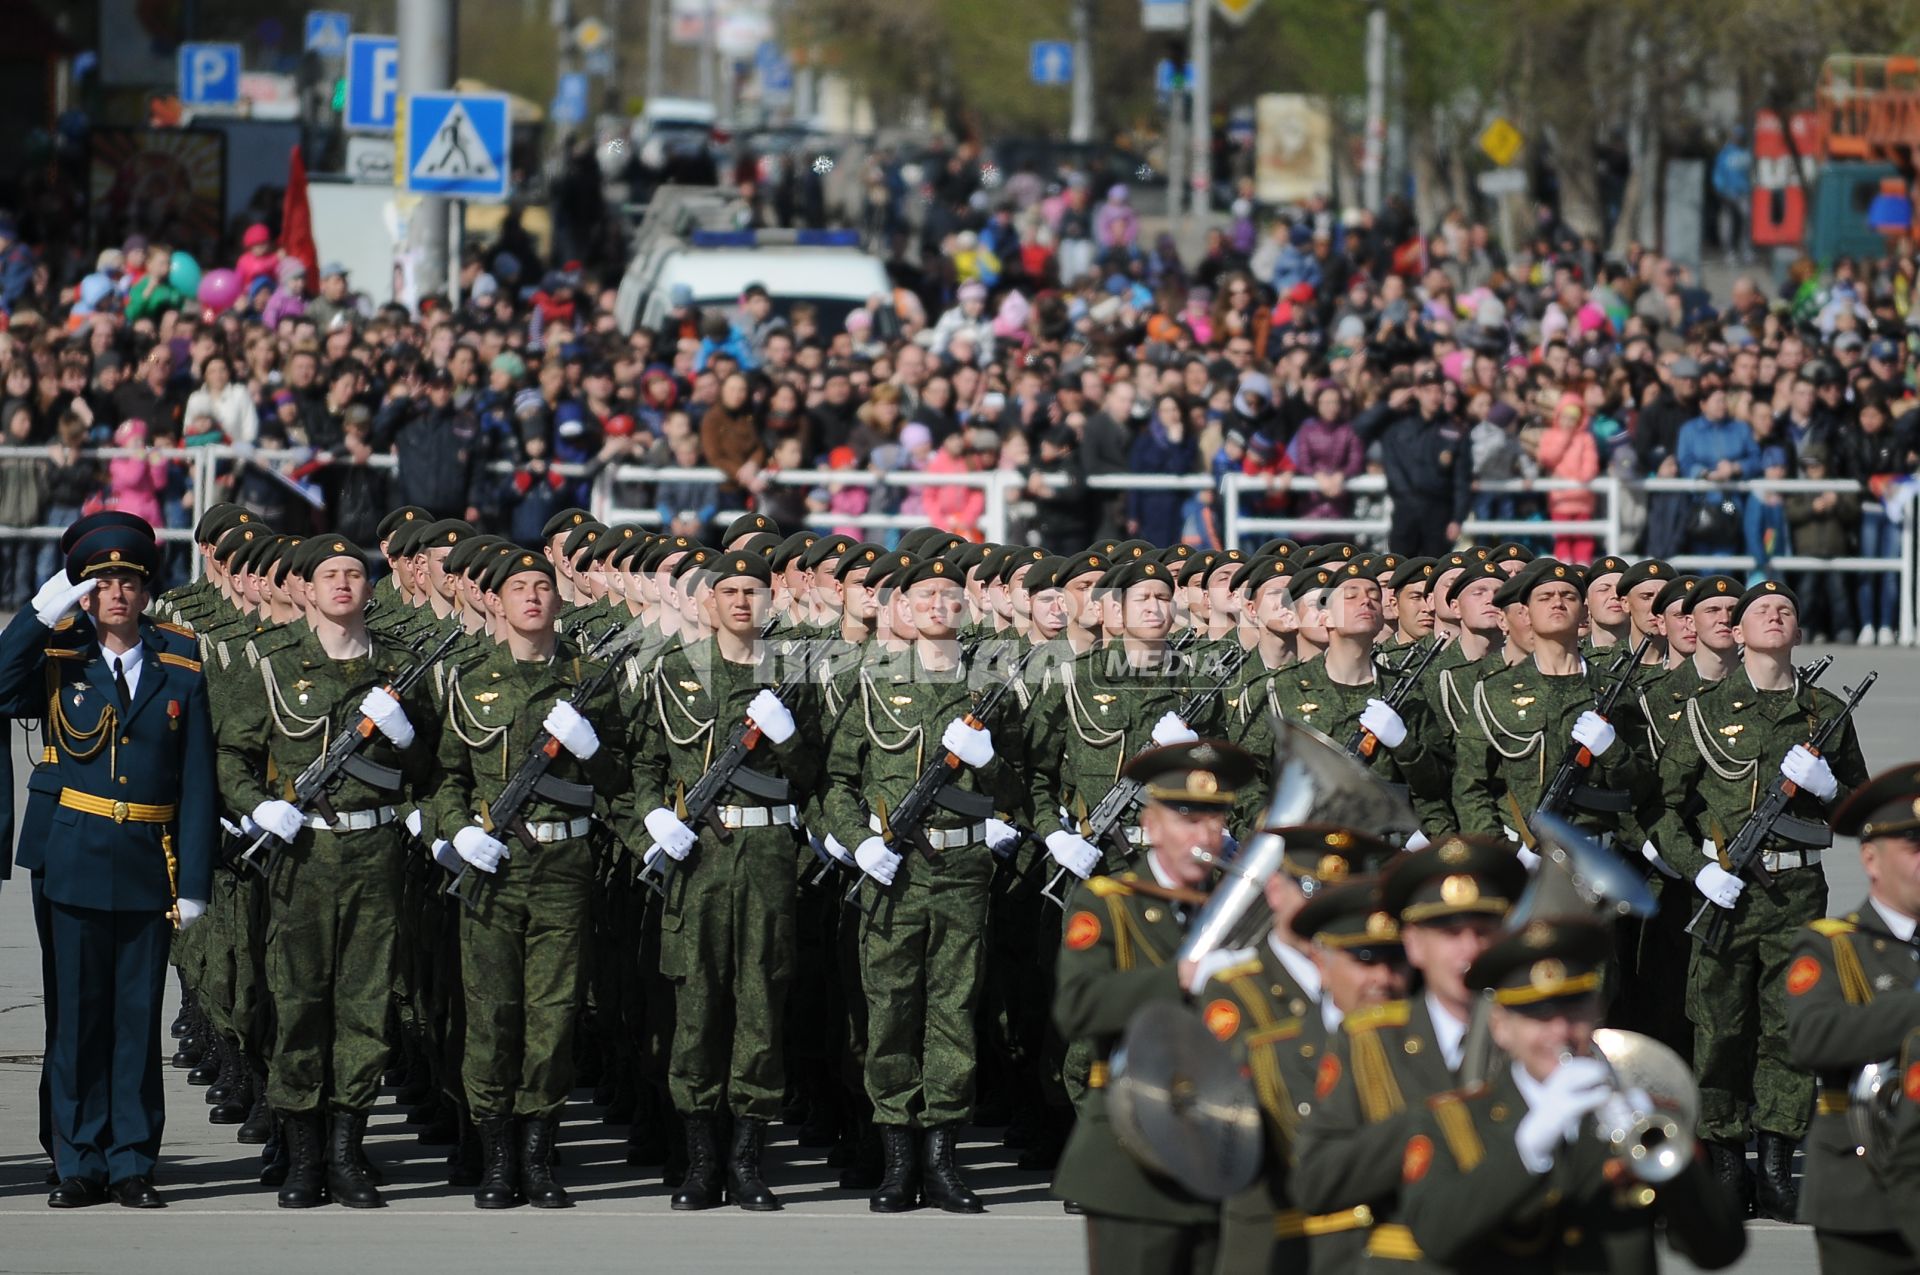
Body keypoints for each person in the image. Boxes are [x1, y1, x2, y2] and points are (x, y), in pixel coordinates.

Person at [215, 537, 436, 1209]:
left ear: (370, 588)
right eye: (328, 574)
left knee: (364, 1007)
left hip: (375, 855)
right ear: (305, 590)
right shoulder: (277, 667)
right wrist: (260, 808)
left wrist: (405, 738)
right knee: (299, 1002)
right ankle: (304, 1156)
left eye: (354, 573)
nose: (343, 583)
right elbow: (233, 756)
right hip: (301, 857)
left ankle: (347, 1152)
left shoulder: (401, 667)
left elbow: (435, 769)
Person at [0, 517, 215, 1208]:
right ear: (84, 591)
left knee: (136, 1014)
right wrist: (49, 601)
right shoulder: (59, 653)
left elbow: (199, 781)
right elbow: (2, 681)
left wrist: (199, 883)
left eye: (128, 579)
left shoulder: (181, 659)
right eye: (102, 581)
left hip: (150, 858)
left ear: (148, 588)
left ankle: (131, 1160)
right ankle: (78, 1157)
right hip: (72, 854)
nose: (117, 592)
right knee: (76, 1015)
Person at [1652, 580, 1869, 1220]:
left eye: (1786, 612)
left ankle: (1776, 1166)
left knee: (1790, 1027)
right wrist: (1698, 870)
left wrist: (1829, 787)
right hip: (1726, 892)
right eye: (1760, 612)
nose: (1774, 618)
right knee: (1718, 1028)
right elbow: (1665, 814)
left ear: (1798, 633)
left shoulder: (1825, 711)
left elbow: (1861, 810)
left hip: (1799, 889)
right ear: (1736, 633)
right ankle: (1725, 1164)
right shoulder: (1700, 710)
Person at [428, 550, 628, 1209]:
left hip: (563, 865)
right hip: (493, 868)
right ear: (499, 600)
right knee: (490, 1013)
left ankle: (540, 1157)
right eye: (520, 588)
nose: (534, 598)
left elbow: (621, 781)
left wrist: (592, 749)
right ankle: (497, 1158)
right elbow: (447, 780)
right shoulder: (468, 676)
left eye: (544, 585)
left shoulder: (590, 677)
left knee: (554, 1014)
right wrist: (459, 831)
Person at [628, 550, 820, 1211]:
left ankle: (747, 1160)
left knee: (760, 1006)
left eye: (753, 591)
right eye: (729, 591)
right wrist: (652, 820)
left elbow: (819, 774)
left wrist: (788, 738)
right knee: (697, 1009)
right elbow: (644, 768)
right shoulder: (673, 672)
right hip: (696, 859)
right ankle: (699, 1159)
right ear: (708, 603)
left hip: (765, 854)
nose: (741, 601)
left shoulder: (793, 675)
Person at [1397, 918, 1747, 1272]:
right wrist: (1527, 1152)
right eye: (1536, 1014)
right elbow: (1435, 1237)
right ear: (1501, 1027)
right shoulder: (1454, 1120)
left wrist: (1669, 1163)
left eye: (1574, 1007)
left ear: (1596, 1011)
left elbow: (1720, 1249)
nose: (1560, 1030)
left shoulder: (1643, 1114)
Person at [1051, 739, 1261, 1274]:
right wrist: (1180, 979)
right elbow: (1077, 1007)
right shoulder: (1110, 901)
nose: (1206, 833)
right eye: (1188, 818)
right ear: (1154, 822)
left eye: (1216, 818)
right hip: (1131, 1156)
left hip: (1221, 1150)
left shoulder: (1237, 909)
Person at [1786, 763, 1920, 1272]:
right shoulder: (1832, 945)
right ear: (1871, 858)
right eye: (1914, 847)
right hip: (1865, 1197)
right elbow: (1812, 1038)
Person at [1352, 367, 1472, 557]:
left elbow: (1462, 480)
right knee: (1401, 569)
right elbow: (1358, 429)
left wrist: (1458, 519)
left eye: (1438, 391)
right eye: (1427, 391)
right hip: (1405, 508)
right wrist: (1391, 405)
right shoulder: (1396, 424)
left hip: (1439, 510)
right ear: (1417, 393)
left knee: (1434, 571)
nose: (1433, 396)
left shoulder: (1454, 429)